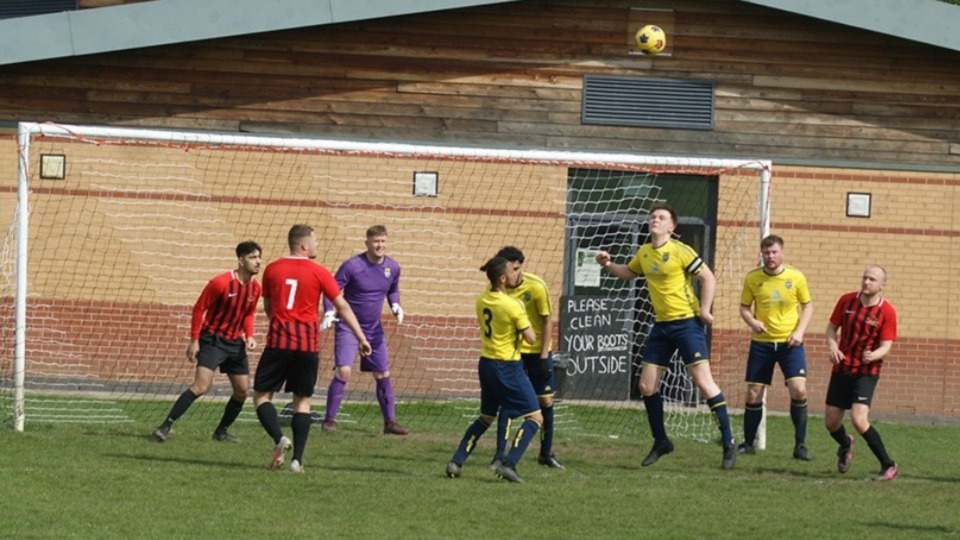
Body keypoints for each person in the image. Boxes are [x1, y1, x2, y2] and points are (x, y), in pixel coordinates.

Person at [594, 202, 736, 470]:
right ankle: (661, 441)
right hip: (661, 326)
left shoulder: (681, 250)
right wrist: (609, 264)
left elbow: (708, 278)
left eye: (661, 217)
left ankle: (729, 442)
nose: (654, 220)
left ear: (672, 226)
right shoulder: (645, 252)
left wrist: (704, 310)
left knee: (703, 382)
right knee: (647, 386)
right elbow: (629, 272)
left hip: (686, 324)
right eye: (652, 217)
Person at [252, 224, 371, 474]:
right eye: (315, 242)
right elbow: (342, 306)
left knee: (262, 396)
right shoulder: (319, 272)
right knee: (302, 402)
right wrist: (361, 337)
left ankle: (278, 438)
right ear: (304, 245)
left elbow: (269, 307)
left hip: (278, 343)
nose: (317, 246)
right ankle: (297, 461)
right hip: (307, 345)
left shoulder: (272, 269)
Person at [152, 241, 263, 443]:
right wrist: (194, 340)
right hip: (212, 340)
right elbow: (198, 309)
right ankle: (165, 425)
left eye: (258, 257)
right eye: (252, 257)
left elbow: (248, 314)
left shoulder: (256, 289)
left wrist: (250, 335)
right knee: (201, 386)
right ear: (240, 260)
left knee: (242, 391)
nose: (258, 262)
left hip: (235, 343)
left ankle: (221, 431)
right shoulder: (220, 283)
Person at [446, 256, 542, 483]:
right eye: (513, 271)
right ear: (502, 278)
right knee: (535, 417)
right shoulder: (512, 305)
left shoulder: (481, 299)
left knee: (486, 417)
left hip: (486, 363)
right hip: (507, 366)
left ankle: (456, 461)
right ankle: (508, 463)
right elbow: (530, 338)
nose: (517, 274)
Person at [319, 225, 407, 435]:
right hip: (348, 326)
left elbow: (393, 289)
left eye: (383, 241)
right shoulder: (352, 265)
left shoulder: (393, 268)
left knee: (383, 373)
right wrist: (329, 312)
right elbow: (331, 289)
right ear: (367, 243)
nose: (380, 245)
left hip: (373, 328)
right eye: (376, 241)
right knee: (344, 370)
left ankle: (390, 423)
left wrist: (395, 305)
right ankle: (329, 420)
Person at [737, 235, 814, 460]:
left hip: (790, 343)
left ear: (782, 253)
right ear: (761, 253)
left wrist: (799, 332)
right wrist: (753, 322)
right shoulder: (753, 278)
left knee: (799, 389)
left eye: (774, 252)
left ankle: (800, 445)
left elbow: (807, 306)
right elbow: (744, 307)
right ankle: (749, 443)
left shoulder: (796, 277)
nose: (770, 256)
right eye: (767, 252)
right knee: (753, 393)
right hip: (762, 343)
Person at [490, 246, 563, 469]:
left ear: (520, 266)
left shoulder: (537, 286)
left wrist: (543, 357)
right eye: (508, 270)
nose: (512, 275)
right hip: (513, 355)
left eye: (515, 269)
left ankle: (546, 453)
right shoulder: (500, 288)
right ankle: (499, 455)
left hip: (538, 352)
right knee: (508, 403)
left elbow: (547, 320)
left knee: (546, 402)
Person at [824, 265, 899, 481]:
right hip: (842, 368)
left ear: (882, 285)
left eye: (872, 279)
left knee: (858, 418)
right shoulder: (846, 301)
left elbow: (886, 346)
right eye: (865, 278)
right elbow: (831, 328)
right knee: (830, 422)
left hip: (866, 371)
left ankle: (888, 465)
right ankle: (846, 444)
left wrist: (873, 355)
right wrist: (833, 347)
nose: (867, 282)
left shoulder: (887, 312)